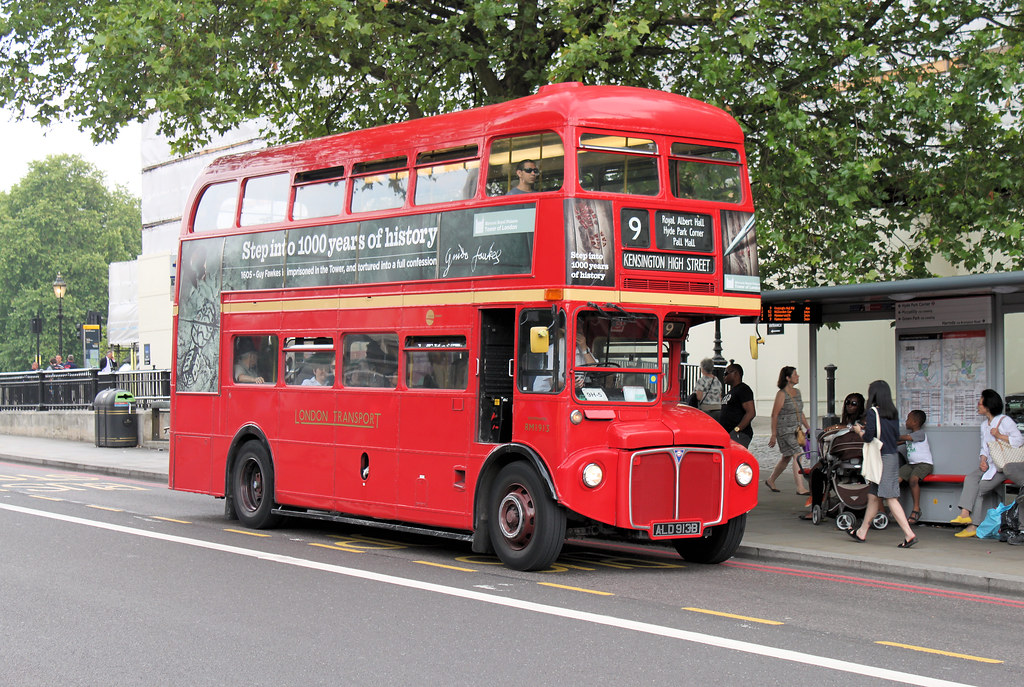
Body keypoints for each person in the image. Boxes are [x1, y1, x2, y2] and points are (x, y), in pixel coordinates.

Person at [847, 380, 917, 548]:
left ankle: (909, 534)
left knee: (890, 497)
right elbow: (894, 435)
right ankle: (862, 532)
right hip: (891, 456)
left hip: (881, 458)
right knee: (873, 496)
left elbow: (869, 437)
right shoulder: (893, 412)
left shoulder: (872, 412)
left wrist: (859, 431)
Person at [949, 389, 1024, 538]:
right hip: (990, 464)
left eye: (980, 403)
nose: (978, 406)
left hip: (1004, 465)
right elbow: (985, 447)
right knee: (971, 478)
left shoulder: (1005, 421)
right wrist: (982, 460)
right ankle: (965, 513)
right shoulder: (984, 425)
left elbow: (1019, 441)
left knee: (981, 488)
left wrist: (999, 435)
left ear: (988, 406)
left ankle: (973, 525)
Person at [800, 392, 865, 520]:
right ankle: (816, 506)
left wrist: (836, 427)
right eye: (847, 402)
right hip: (838, 458)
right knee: (816, 473)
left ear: (860, 406)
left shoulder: (862, 422)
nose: (849, 406)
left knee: (819, 472)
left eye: (853, 403)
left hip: (857, 458)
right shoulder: (846, 421)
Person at [766, 366, 811, 494]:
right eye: (795, 374)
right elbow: (775, 414)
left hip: (797, 430)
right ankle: (800, 487)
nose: (798, 376)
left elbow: (799, 412)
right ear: (788, 378)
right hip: (784, 430)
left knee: (786, 457)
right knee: (797, 453)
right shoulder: (781, 394)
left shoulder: (797, 392)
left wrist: (808, 427)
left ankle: (771, 480)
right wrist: (774, 434)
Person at [897, 409, 933, 525]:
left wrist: (892, 435)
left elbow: (905, 438)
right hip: (911, 465)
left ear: (915, 422)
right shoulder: (910, 436)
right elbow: (899, 442)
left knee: (913, 480)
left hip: (924, 464)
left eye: (908, 419)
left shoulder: (920, 434)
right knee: (895, 480)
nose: (906, 422)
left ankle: (916, 508)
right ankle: (895, 506)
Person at [718, 363, 755, 448]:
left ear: (736, 373)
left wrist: (737, 429)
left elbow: (751, 412)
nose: (724, 376)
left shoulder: (743, 389)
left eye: (726, 373)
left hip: (738, 435)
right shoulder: (732, 391)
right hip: (727, 434)